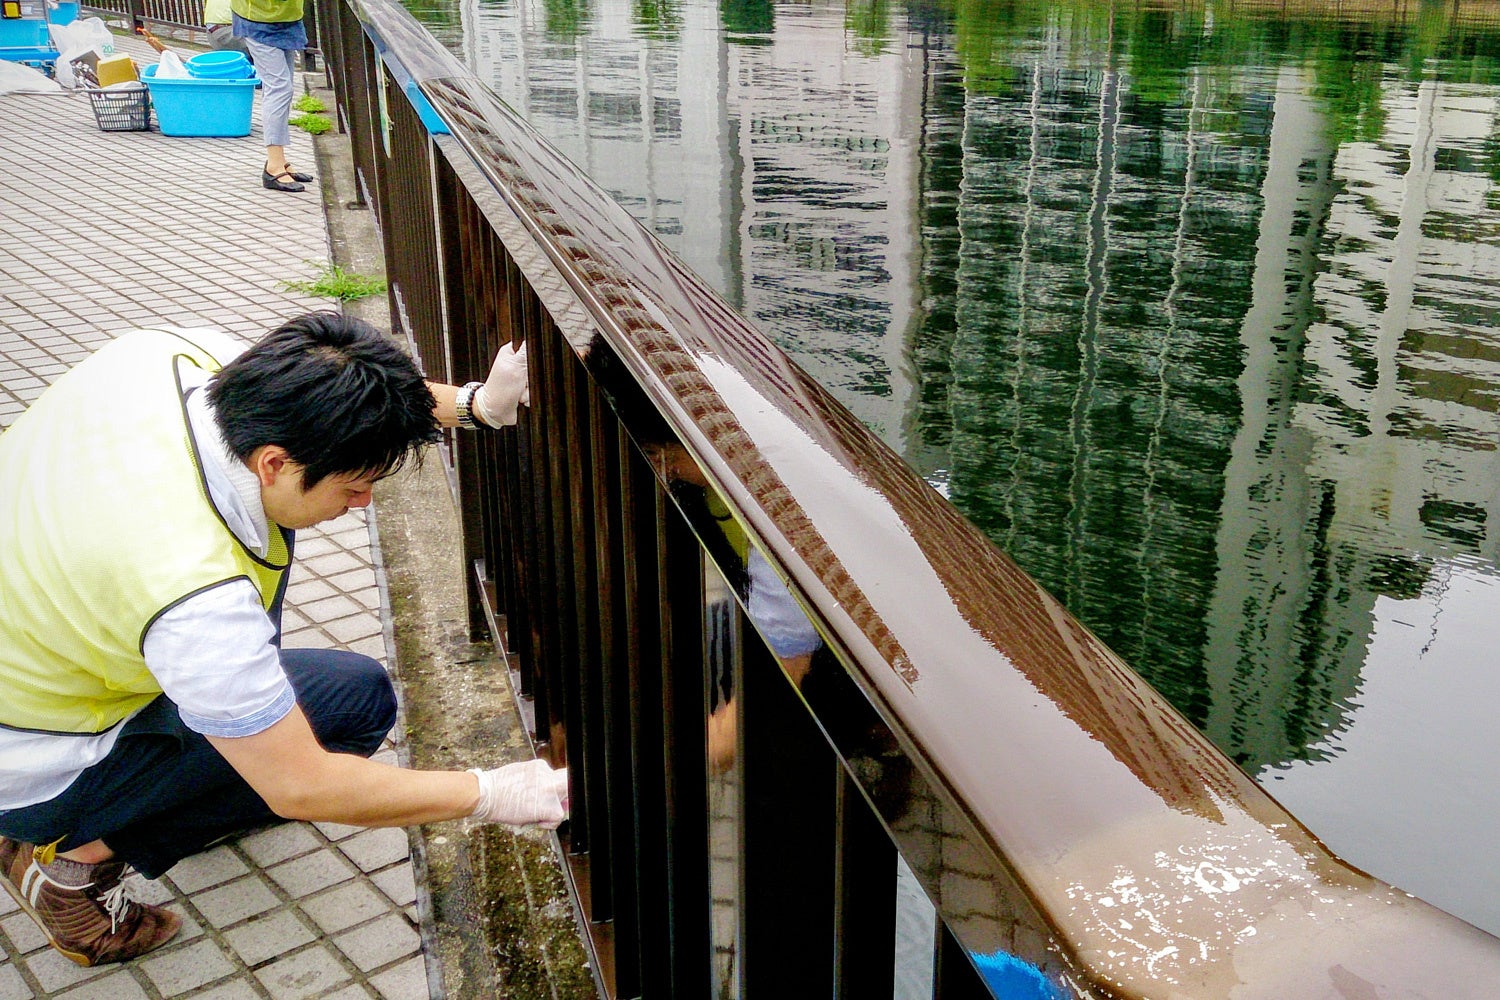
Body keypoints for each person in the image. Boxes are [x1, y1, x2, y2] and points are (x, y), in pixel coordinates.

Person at [0, 314, 564, 968]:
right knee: (347, 717)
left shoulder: (165, 357)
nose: (361, 504)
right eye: (353, 487)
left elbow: (339, 384)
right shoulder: (195, 592)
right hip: (36, 755)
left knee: (341, 691)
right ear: (275, 463)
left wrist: (474, 406)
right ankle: (71, 867)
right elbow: (303, 786)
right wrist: (491, 792)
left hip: (37, 649)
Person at [230, 0, 309, 192]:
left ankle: (279, 161)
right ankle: (274, 166)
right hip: (258, 20)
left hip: (285, 18)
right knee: (279, 88)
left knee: (283, 86)